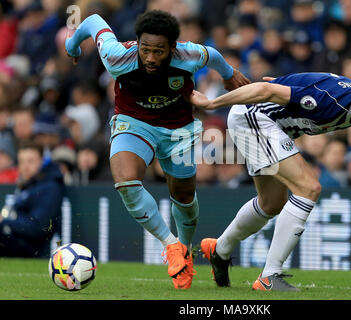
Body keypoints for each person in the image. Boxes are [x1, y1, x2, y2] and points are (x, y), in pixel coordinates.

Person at [65, 10, 250, 289]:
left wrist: (228, 74)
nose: (150, 57)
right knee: (126, 181)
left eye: (159, 51)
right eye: (145, 49)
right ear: (137, 43)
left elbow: (211, 54)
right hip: (134, 123)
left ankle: (185, 251)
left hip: (178, 129)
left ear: (173, 48)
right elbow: (92, 21)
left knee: (184, 197)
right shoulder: (117, 56)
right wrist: (72, 44)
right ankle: (171, 245)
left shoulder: (188, 55)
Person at [190, 72, 351, 291]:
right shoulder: (333, 101)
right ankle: (270, 276)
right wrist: (211, 103)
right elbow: (266, 91)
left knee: (271, 204)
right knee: (309, 188)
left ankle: (219, 249)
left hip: (267, 124)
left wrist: (287, 82)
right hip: (253, 119)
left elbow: (318, 78)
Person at [0, 141, 64, 257]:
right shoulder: (27, 186)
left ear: (42, 161)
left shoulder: (49, 188)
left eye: (31, 161)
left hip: (33, 250)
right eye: (22, 162)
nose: (25, 167)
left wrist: (5, 221)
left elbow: (38, 227)